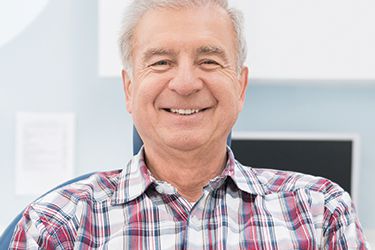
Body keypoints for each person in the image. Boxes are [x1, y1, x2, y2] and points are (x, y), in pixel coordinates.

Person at [9, 0, 369, 249]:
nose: (185, 83)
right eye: (162, 62)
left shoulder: (320, 212)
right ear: (129, 89)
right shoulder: (56, 225)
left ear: (240, 86)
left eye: (209, 61)